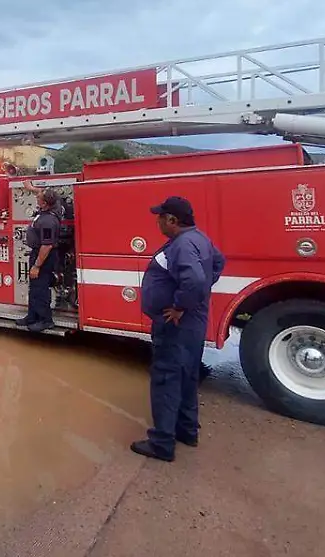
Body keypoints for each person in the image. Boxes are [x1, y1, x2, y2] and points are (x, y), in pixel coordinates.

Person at [131, 196, 225, 462]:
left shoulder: (182, 245)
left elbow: (194, 279)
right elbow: (218, 263)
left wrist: (180, 306)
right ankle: (187, 431)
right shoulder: (199, 239)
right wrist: (197, 296)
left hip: (176, 324)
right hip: (192, 324)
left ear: (172, 220)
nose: (157, 221)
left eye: (160, 217)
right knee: (187, 376)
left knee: (166, 378)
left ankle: (162, 443)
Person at [16, 181, 62, 332]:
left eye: (39, 198)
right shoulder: (53, 205)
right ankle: (32, 316)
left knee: (40, 288)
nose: (36, 198)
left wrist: (37, 265)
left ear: (44, 203)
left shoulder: (48, 221)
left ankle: (45, 320)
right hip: (38, 254)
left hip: (43, 256)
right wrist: (31, 188)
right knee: (34, 287)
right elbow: (43, 192)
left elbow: (47, 245)